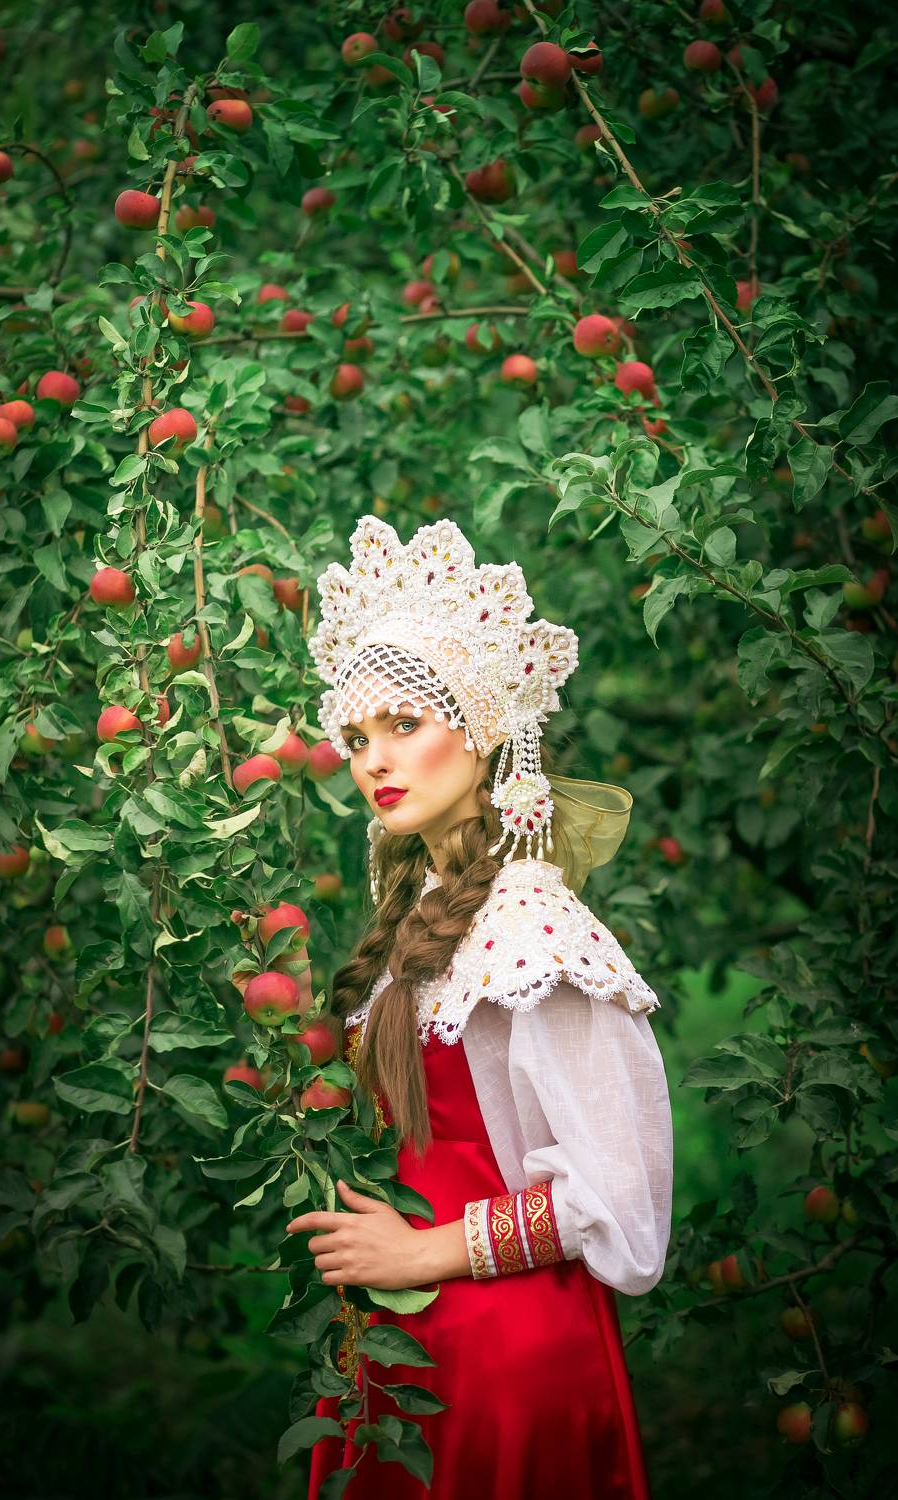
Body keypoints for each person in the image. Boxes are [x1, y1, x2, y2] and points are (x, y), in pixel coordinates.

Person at [287, 516, 674, 1499]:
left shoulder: (533, 926)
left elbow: (616, 1198)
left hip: (504, 1346)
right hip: (397, 1342)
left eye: (403, 725)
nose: (373, 761)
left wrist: (421, 1248)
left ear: (483, 725)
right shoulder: (413, 919)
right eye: (356, 737)